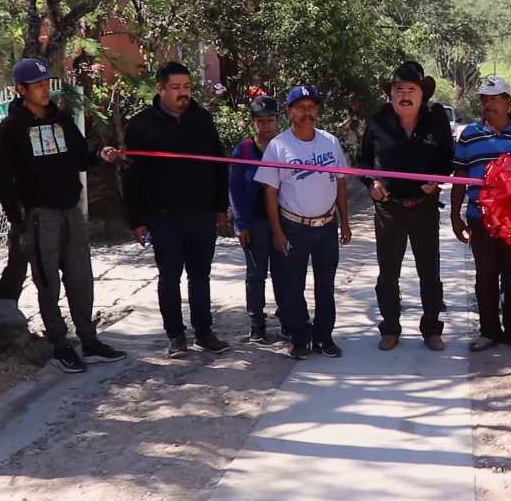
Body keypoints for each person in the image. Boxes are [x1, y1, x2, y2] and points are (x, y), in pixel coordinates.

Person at [0, 58, 126, 373]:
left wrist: (99, 157)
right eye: (37, 85)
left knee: (81, 279)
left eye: (46, 82)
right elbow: (0, 177)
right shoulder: (11, 128)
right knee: (48, 284)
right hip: (39, 215)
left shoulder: (62, 120)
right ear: (20, 89)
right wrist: (16, 218)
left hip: (71, 212)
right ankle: (60, 346)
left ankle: (89, 342)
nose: (44, 89)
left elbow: (80, 158)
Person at [123, 61, 230, 359]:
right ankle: (175, 336)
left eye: (186, 87)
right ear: (160, 89)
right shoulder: (140, 125)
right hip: (163, 216)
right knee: (170, 276)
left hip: (202, 213)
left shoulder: (203, 119)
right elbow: (130, 176)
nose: (183, 93)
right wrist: (137, 220)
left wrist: (220, 206)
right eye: (176, 88)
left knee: (201, 275)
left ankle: (204, 333)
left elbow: (219, 165)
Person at [357, 63, 454, 352]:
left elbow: (447, 160)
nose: (405, 95)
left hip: (425, 207)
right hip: (389, 209)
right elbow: (362, 162)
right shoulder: (377, 122)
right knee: (388, 273)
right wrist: (371, 183)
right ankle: (390, 329)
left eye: (412, 90)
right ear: (391, 94)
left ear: (422, 95)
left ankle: (432, 330)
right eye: (399, 90)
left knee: (430, 272)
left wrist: (436, 182)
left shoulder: (436, 122)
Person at [254, 85, 352, 360]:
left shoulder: (330, 142)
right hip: (294, 226)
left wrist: (345, 222)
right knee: (293, 285)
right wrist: (276, 230)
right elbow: (270, 191)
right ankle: (299, 337)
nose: (307, 112)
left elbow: (341, 183)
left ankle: (324, 336)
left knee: (326, 284)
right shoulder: (278, 146)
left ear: (317, 110)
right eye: (300, 107)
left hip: (327, 226)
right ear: (289, 111)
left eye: (311, 106)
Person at [451, 77, 511, 352]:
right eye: (484, 99)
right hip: (480, 219)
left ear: (508, 101)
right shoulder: (469, 134)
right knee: (486, 277)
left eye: (494, 98)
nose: (487, 103)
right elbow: (460, 175)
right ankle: (489, 331)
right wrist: (456, 216)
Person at [229, 95, 284, 344]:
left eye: (270, 119)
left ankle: (286, 319)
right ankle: (257, 324)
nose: (265, 125)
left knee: (284, 273)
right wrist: (241, 223)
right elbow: (235, 189)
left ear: (278, 121)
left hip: (285, 222)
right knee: (256, 274)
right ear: (253, 123)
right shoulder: (244, 150)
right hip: (256, 222)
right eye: (260, 120)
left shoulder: (287, 148)